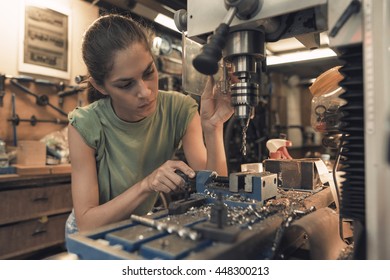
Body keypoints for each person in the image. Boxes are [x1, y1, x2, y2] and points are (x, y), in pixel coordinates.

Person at [64, 14, 233, 243]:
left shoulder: (180, 109)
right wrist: (147, 184)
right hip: (91, 235)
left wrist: (213, 129)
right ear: (99, 86)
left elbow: (214, 191)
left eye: (148, 73)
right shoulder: (84, 125)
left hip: (138, 224)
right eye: (126, 84)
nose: (145, 92)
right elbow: (87, 223)